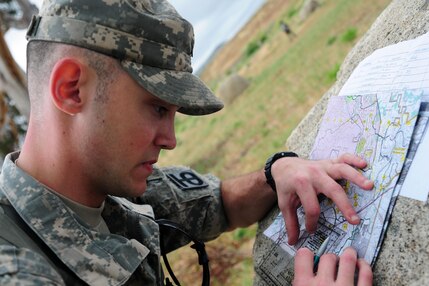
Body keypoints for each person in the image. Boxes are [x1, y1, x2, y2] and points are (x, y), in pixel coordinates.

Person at [0, 0, 374, 285]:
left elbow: (219, 203)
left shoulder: (108, 187)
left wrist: (276, 173)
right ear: (72, 89)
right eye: (157, 108)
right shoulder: (17, 270)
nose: (171, 140)